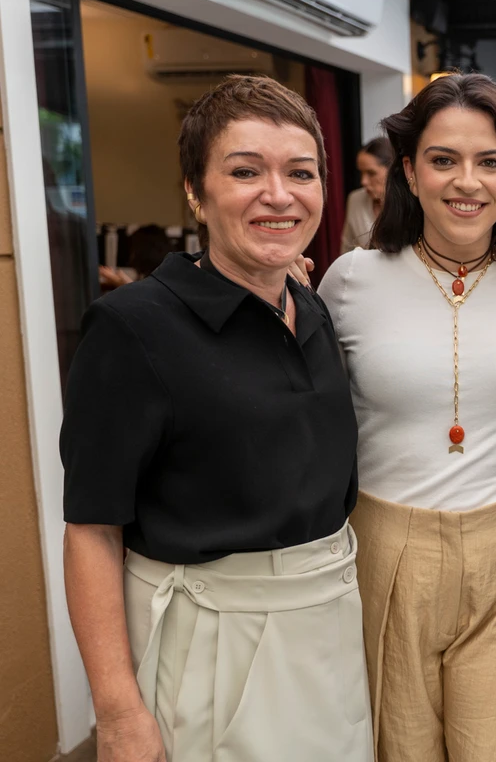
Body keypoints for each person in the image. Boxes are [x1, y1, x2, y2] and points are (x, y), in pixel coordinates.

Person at [60, 75, 372, 762]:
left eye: (301, 172)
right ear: (195, 193)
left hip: (327, 626)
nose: (280, 194)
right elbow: (90, 529)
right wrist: (115, 712)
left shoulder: (308, 304)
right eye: (244, 171)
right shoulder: (133, 328)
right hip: (211, 635)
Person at [318, 73, 496, 762]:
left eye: (490, 162)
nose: (468, 182)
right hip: (383, 547)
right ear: (408, 169)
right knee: (397, 747)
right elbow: (319, 426)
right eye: (444, 159)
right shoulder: (349, 281)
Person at [341, 136, 393, 253]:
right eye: (361, 172)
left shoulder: (411, 203)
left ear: (392, 170)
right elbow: (347, 249)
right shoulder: (355, 199)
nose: (363, 181)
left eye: (371, 173)